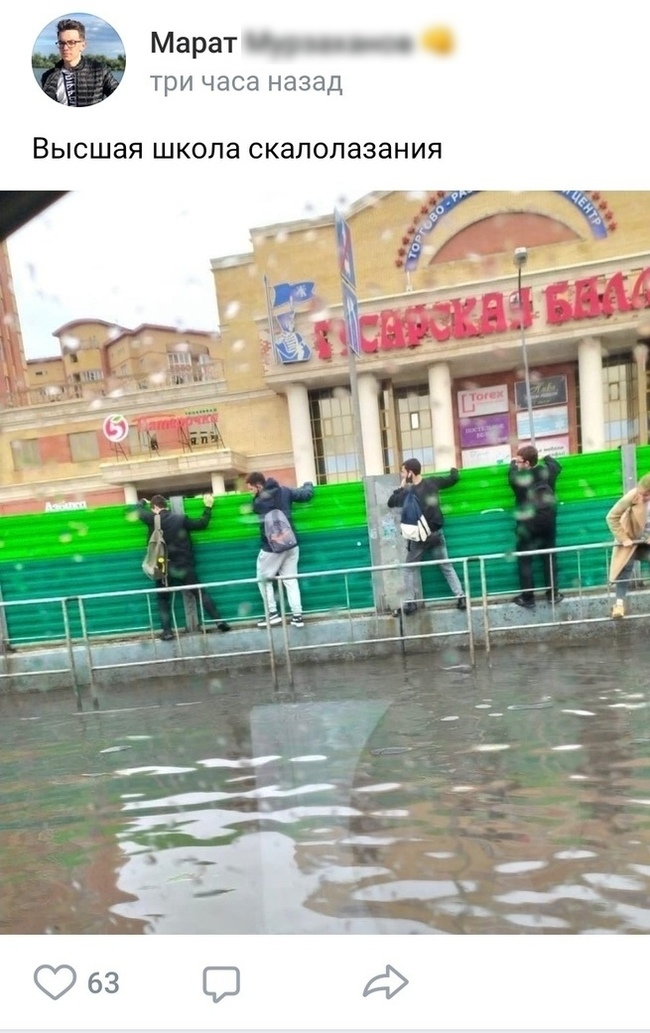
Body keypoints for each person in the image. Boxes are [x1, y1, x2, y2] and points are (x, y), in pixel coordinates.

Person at [137, 494, 230, 640]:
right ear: (166, 506)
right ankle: (219, 621)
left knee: (163, 598)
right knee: (200, 593)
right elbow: (202, 524)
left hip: (162, 563)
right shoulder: (180, 519)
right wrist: (208, 507)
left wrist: (142, 502)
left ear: (155, 507)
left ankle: (167, 631)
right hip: (184, 563)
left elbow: (138, 512)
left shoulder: (152, 519)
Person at [387, 458, 466, 615]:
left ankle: (410, 603)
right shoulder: (432, 483)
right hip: (436, 535)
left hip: (419, 539)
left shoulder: (407, 492)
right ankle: (461, 597)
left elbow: (391, 502)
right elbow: (453, 479)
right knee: (446, 566)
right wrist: (453, 469)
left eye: (403, 472)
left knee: (408, 569)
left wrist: (399, 488)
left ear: (410, 472)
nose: (402, 475)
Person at [245, 472, 314, 628]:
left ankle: (272, 614)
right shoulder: (285, 491)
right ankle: (297, 616)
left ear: (259, 486)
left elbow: (255, 506)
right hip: (291, 544)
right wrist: (308, 484)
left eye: (250, 489)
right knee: (290, 580)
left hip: (271, 549)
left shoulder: (257, 503)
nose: (250, 493)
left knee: (263, 580)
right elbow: (306, 495)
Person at [508, 444, 562, 608]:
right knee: (549, 557)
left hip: (527, 526)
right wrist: (546, 457)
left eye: (519, 461)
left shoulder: (518, 479)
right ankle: (552, 594)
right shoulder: (547, 473)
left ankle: (528, 598)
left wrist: (511, 465)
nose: (517, 464)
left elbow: (510, 474)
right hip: (547, 522)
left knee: (525, 560)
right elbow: (556, 466)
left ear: (527, 464)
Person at [41, 19, 119, 106]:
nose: (65, 48)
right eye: (61, 43)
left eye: (71, 42)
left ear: (83, 45)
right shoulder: (48, 76)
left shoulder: (100, 71)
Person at [606, 473, 650, 619]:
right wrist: (623, 538)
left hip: (647, 539)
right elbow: (611, 516)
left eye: (645, 495)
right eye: (641, 493)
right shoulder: (634, 495)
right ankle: (619, 605)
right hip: (631, 538)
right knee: (625, 568)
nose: (642, 497)